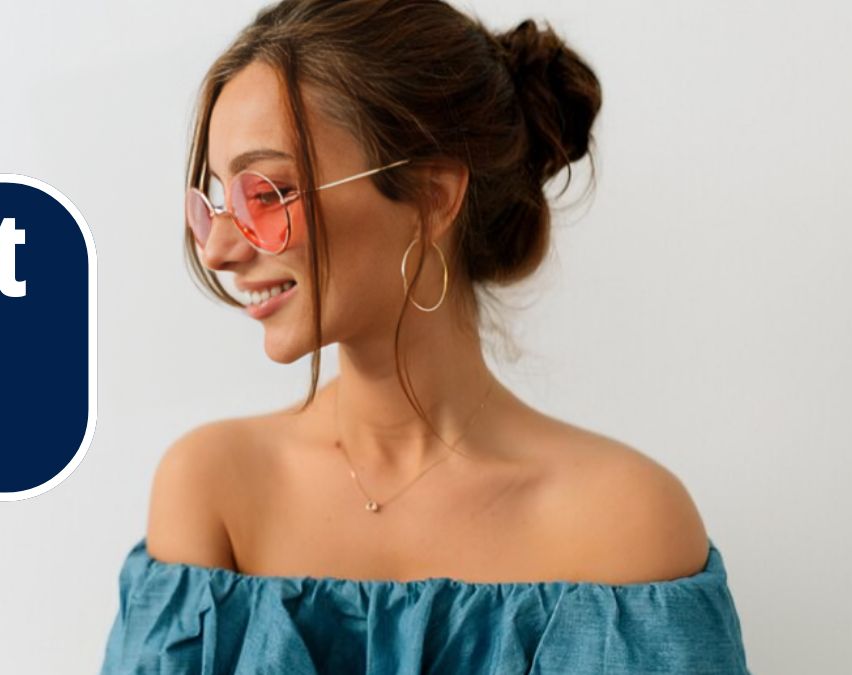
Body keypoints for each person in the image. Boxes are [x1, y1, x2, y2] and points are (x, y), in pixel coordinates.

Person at [101, 0, 751, 672]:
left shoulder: (628, 526)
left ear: (433, 196)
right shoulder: (214, 491)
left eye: (265, 193)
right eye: (214, 203)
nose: (220, 251)